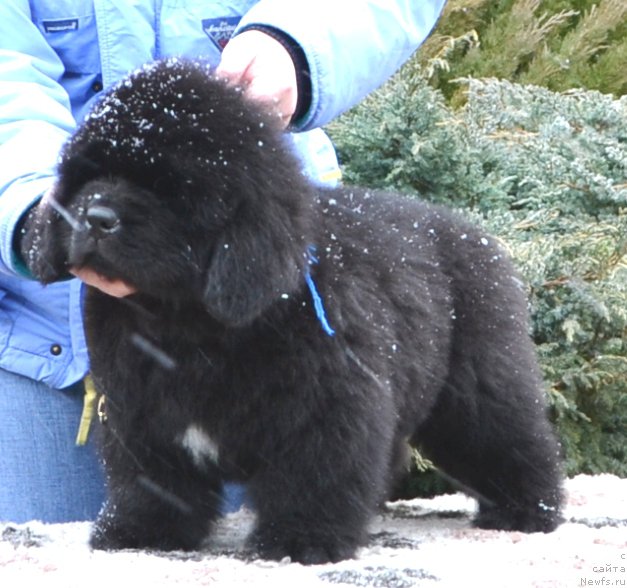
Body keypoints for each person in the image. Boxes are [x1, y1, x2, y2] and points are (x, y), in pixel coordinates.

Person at [0, 0, 446, 524]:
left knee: (288, 556)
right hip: (37, 338)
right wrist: (37, 207)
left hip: (261, 321)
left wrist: (298, 45)